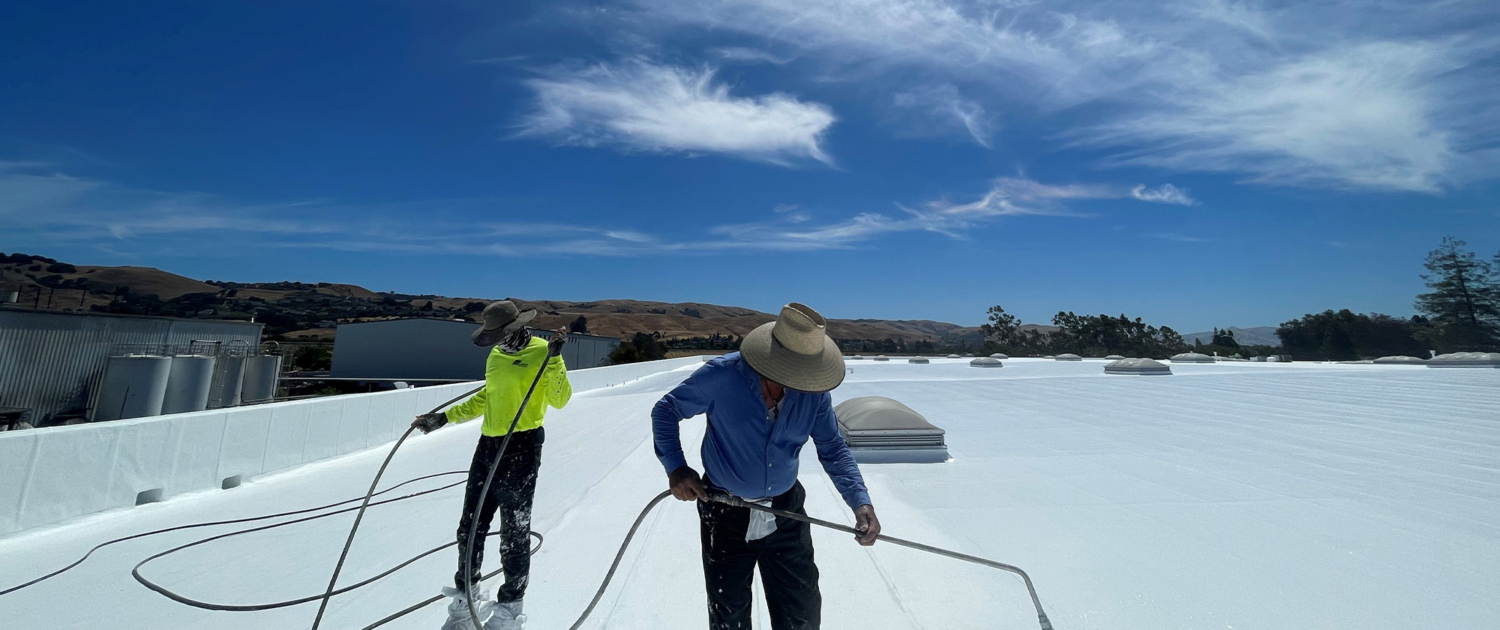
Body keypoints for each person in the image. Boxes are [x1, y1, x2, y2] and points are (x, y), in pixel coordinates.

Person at [652, 302, 880, 630]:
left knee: (800, 610)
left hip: (786, 511)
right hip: (724, 512)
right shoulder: (722, 377)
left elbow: (832, 448)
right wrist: (676, 467)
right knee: (729, 614)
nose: (798, 381)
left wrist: (861, 501)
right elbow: (665, 410)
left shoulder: (813, 393)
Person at [411, 300, 572, 630]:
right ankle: (465, 602)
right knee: (469, 528)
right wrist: (443, 418)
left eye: (498, 334)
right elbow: (488, 397)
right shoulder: (497, 356)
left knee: (513, 535)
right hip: (487, 446)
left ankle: (508, 611)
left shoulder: (543, 351)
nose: (494, 341)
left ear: (515, 328)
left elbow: (560, 399)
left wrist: (555, 360)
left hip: (522, 447)